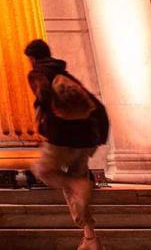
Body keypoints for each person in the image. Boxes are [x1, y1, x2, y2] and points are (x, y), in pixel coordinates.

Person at [24, 38, 110, 250]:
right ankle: (90, 238)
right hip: (86, 138)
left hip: (62, 136)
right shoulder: (65, 74)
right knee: (74, 188)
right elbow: (96, 105)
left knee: (43, 171)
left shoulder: (38, 73)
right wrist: (100, 136)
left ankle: (75, 185)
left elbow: (43, 95)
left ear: (32, 58)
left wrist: (40, 125)